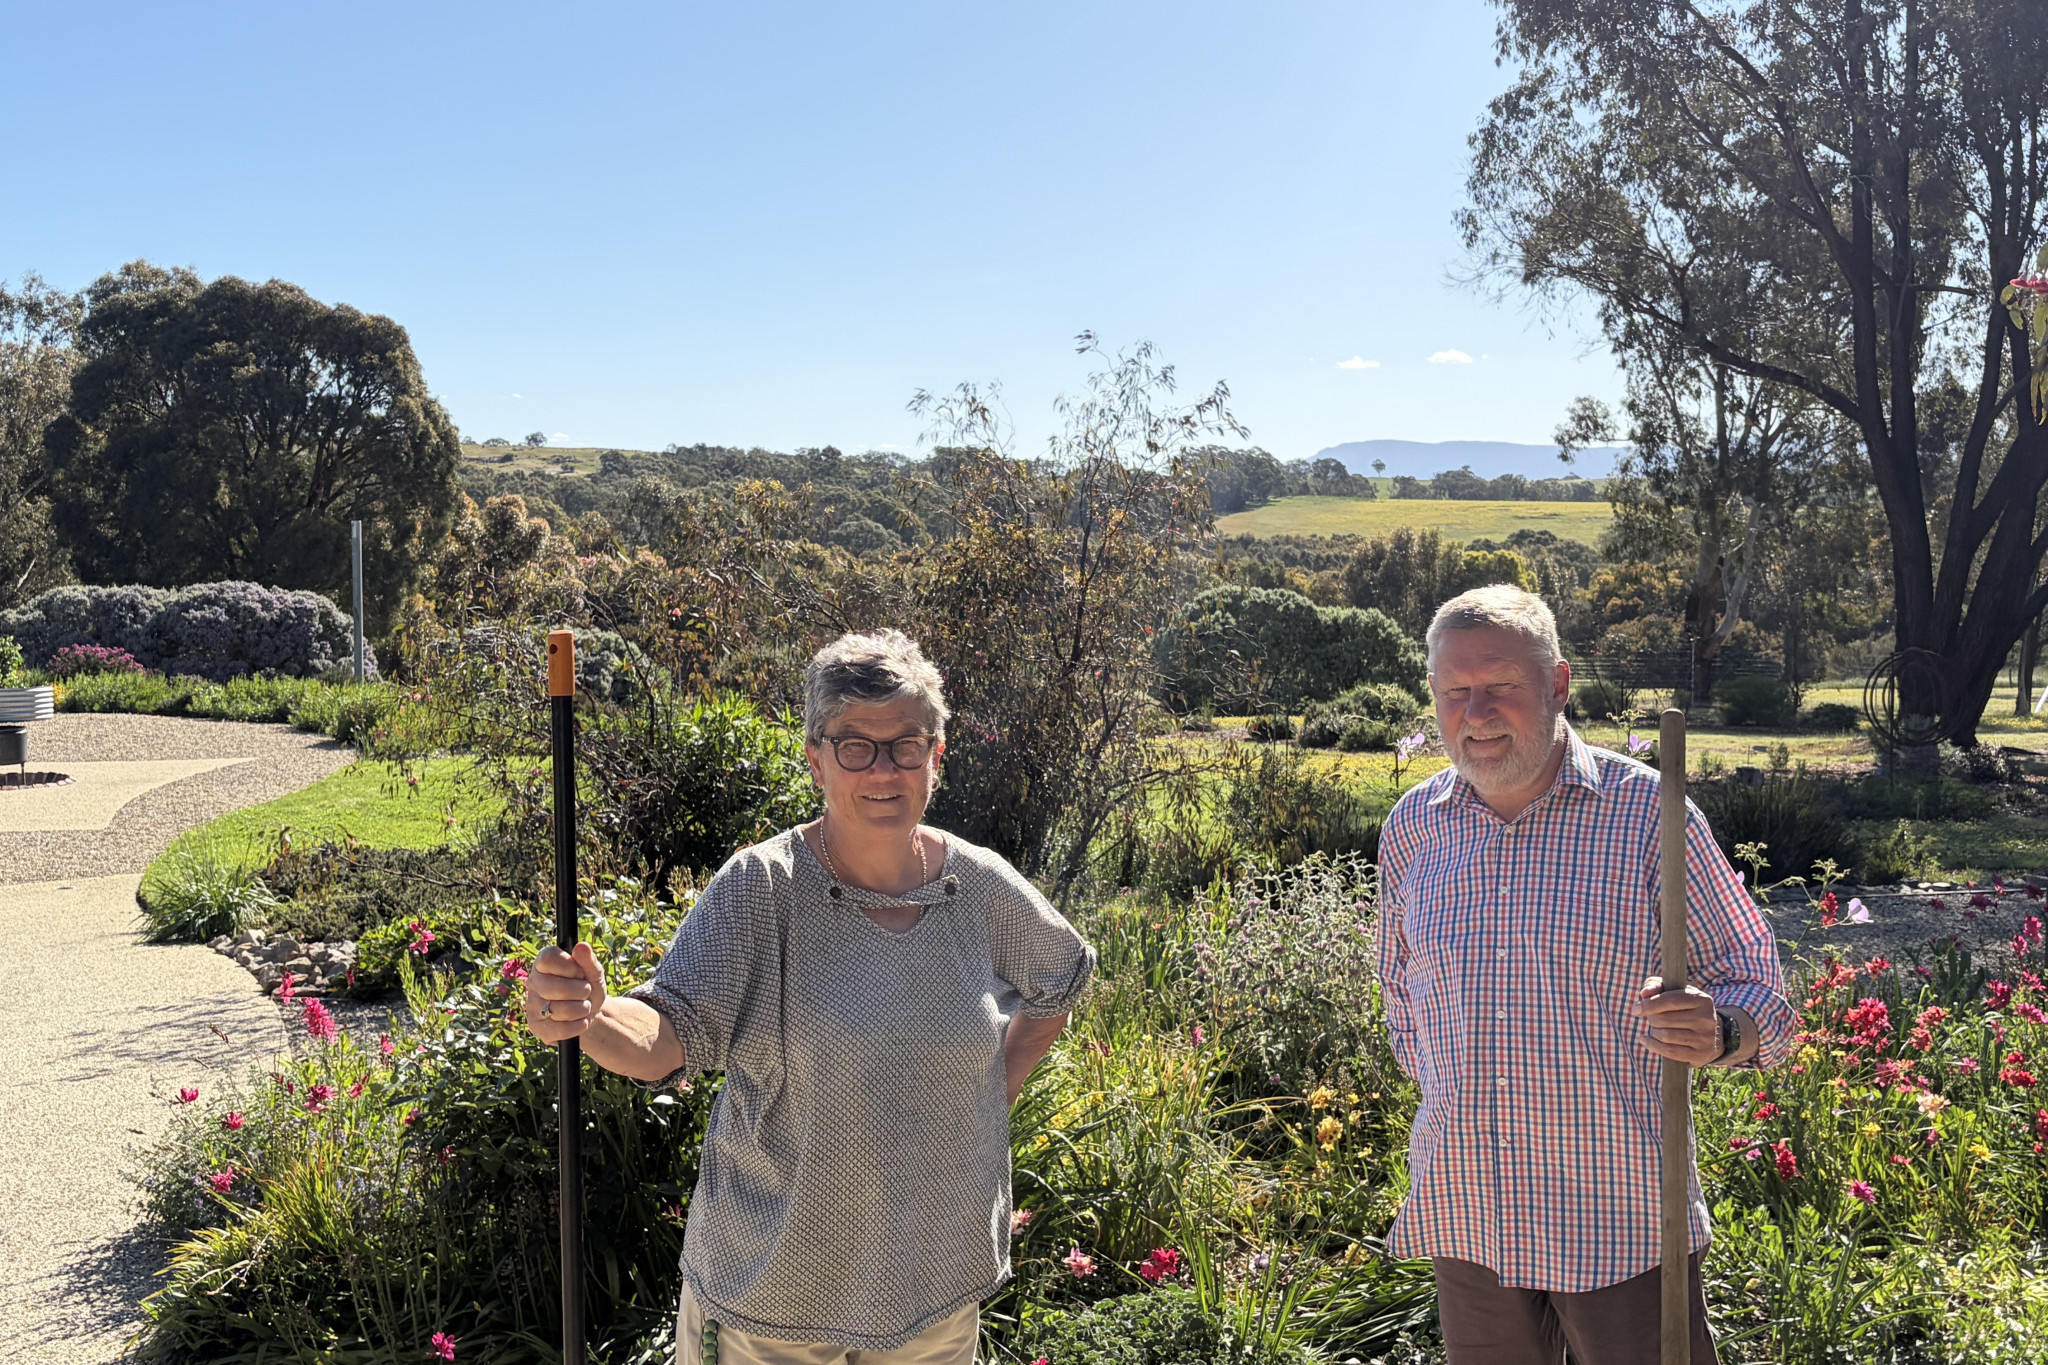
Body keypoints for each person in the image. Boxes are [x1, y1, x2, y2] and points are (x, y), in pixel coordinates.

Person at [524, 629, 1095, 1364]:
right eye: (855, 744)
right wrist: (590, 1016)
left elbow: (1062, 978)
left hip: (934, 1297)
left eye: (906, 745)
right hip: (773, 1305)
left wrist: (991, 1093)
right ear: (816, 757)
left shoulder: (978, 888)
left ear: (936, 755)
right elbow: (669, 1029)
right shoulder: (764, 888)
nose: (883, 768)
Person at [1375, 585, 1794, 1365]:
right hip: (1469, 1212)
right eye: (1455, 691)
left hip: (1618, 1220)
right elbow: (1400, 996)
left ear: (1559, 685)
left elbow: (1763, 989)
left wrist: (1722, 1030)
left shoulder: (1649, 816)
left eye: (1500, 685)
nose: (1476, 711)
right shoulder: (1412, 828)